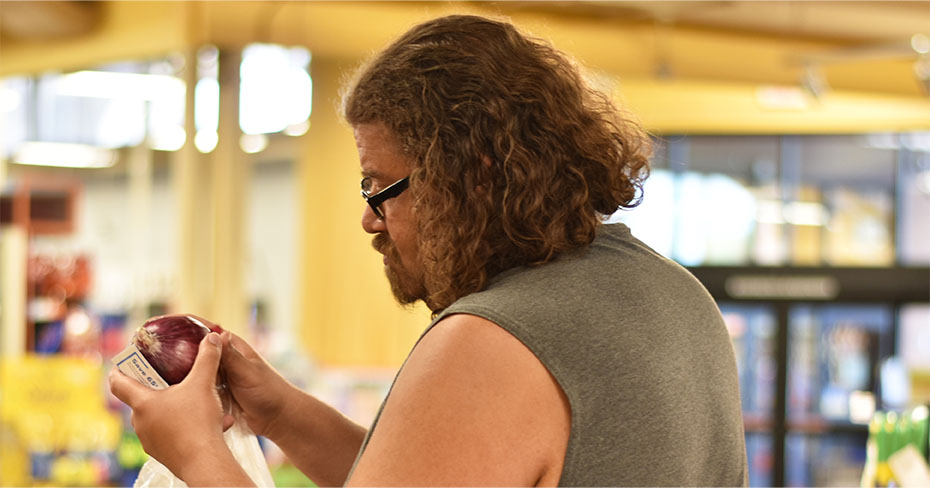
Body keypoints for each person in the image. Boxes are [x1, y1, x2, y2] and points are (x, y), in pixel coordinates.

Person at [109, 14, 748, 487]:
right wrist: (278, 409)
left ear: (473, 175)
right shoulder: (676, 297)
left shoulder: (495, 341)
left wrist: (196, 454)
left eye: (379, 187)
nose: (368, 219)